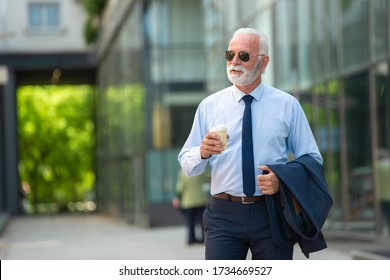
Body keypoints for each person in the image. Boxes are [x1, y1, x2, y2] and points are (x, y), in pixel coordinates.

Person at [178, 27, 327, 260]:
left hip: (271, 213)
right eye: (230, 55)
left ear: (263, 62)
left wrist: (282, 179)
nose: (234, 61)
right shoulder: (209, 106)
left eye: (244, 56)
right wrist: (202, 152)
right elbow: (188, 165)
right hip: (223, 214)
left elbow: (312, 158)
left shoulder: (287, 105)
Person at [172, 169, 210, 245]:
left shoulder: (183, 172)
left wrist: (177, 197)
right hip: (200, 200)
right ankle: (203, 238)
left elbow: (180, 187)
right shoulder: (201, 171)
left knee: (190, 222)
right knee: (202, 221)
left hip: (188, 202)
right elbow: (210, 177)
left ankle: (191, 239)